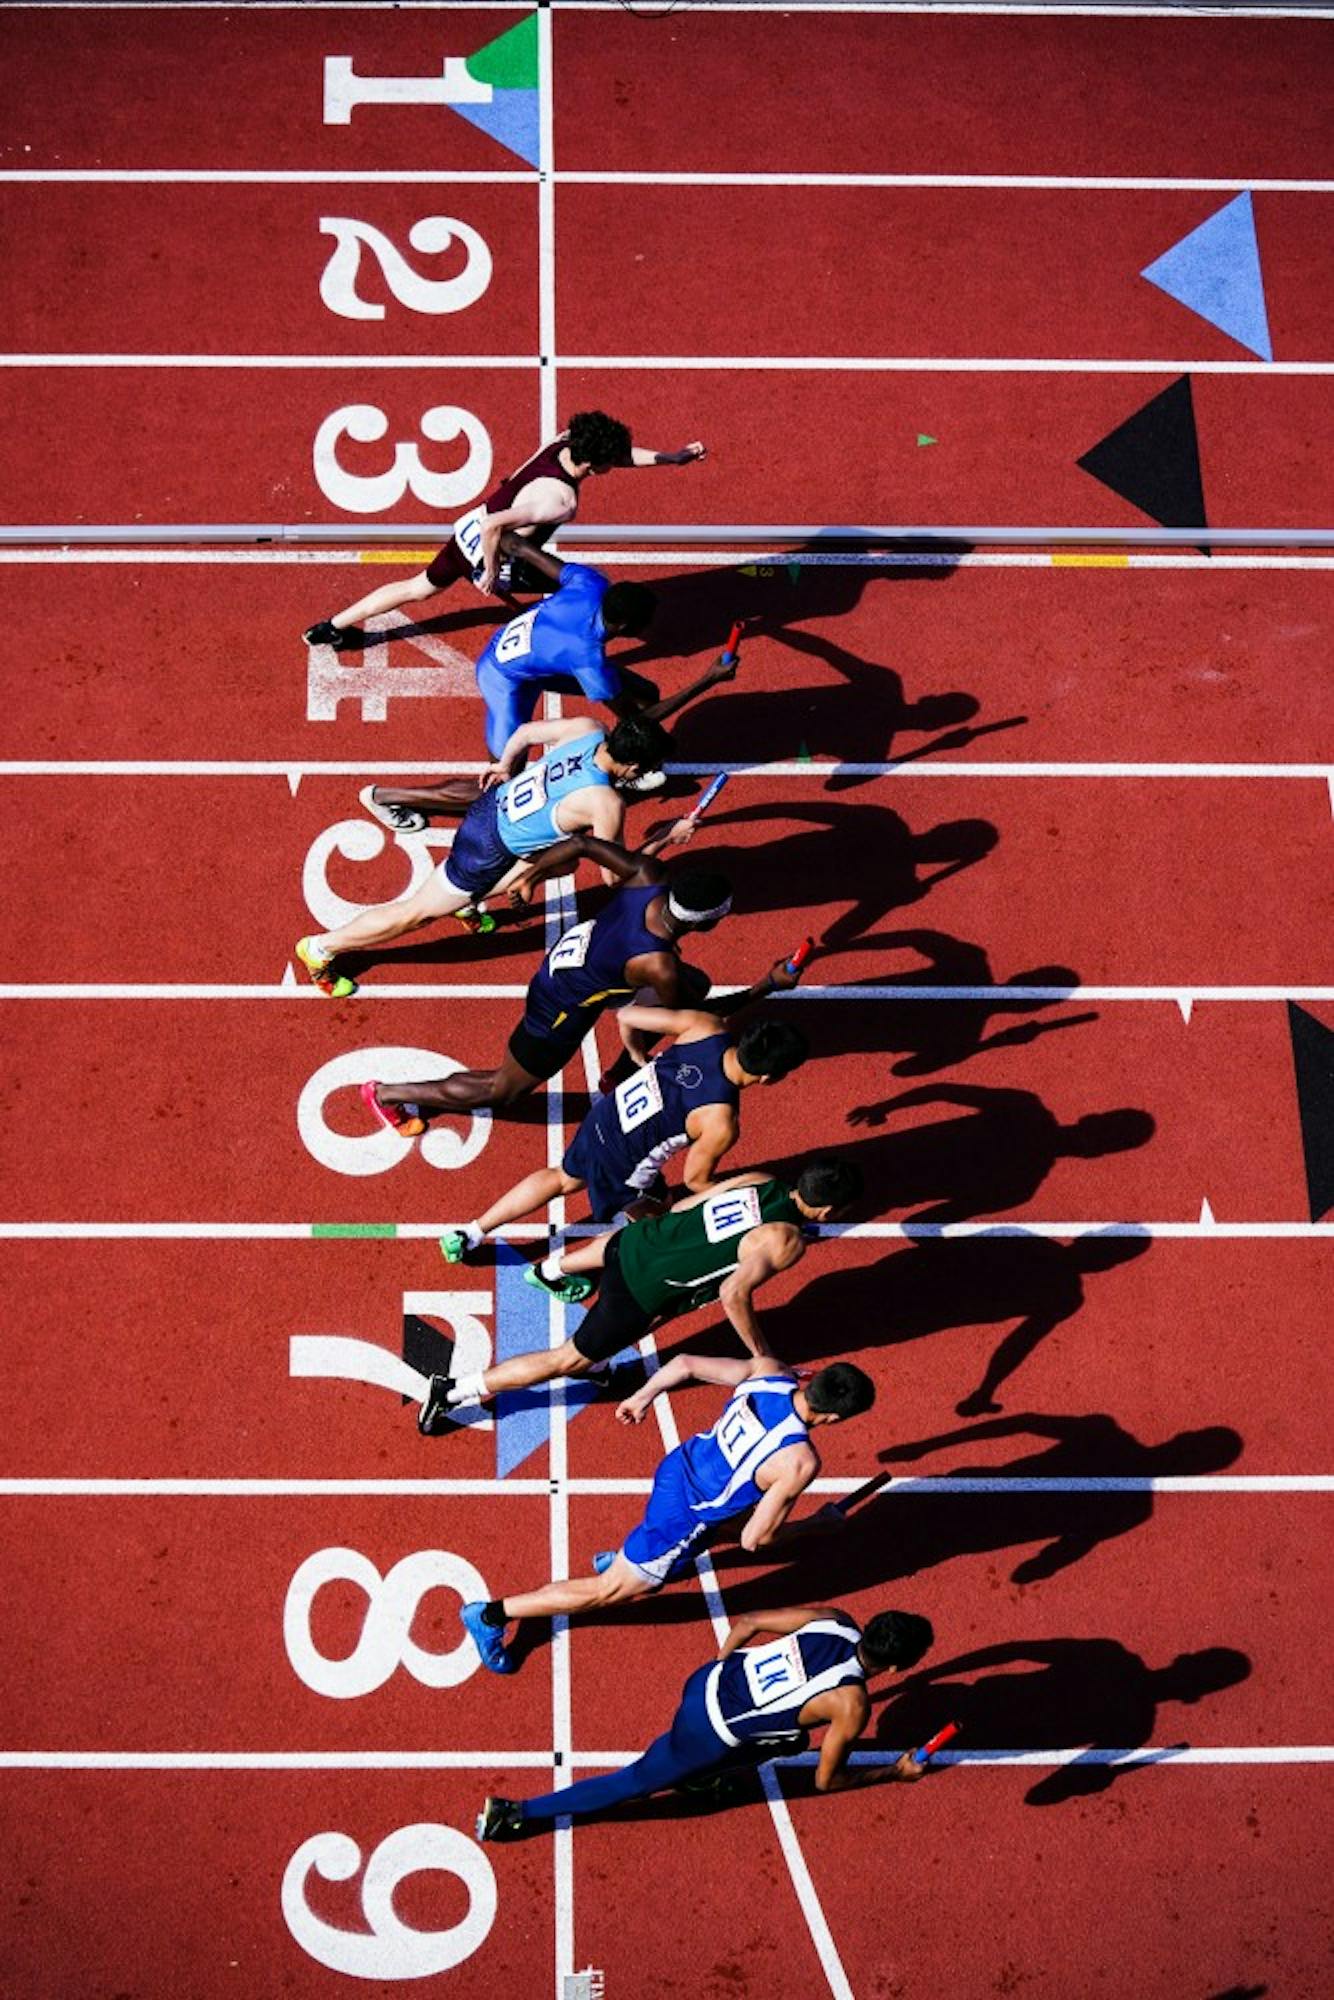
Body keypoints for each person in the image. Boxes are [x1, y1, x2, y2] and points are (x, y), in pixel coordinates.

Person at [458, 1350, 877, 1675]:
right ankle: (492, 1615)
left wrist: (643, 1396)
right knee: (607, 1590)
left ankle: (631, 1557)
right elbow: (755, 1539)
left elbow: (685, 1364)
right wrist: (816, 1526)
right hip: (687, 1516)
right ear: (836, 1417)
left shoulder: (770, 1371)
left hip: (676, 1469)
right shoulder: (799, 1462)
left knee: (706, 1532)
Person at [417, 1155, 861, 1433]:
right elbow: (733, 1293)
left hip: (637, 1241)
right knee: (565, 1359)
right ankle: (455, 1390)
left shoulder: (762, 1180)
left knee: (641, 1310)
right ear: (826, 1210)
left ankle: (562, 1289)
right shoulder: (787, 1242)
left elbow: (691, 1205)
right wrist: (761, 1354)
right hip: (639, 1291)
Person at [362, 848, 795, 1132]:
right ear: (706, 921)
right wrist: (765, 987)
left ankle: (620, 1071)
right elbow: (695, 1020)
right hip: (561, 1008)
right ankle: (386, 1094)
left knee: (693, 982)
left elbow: (582, 844)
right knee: (504, 1090)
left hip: (573, 965)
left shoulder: (648, 875)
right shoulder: (657, 965)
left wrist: (532, 874)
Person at [293, 713, 694, 997]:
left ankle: (469, 904)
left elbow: (523, 731)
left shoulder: (588, 728)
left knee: (565, 859)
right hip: (487, 851)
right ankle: (323, 947)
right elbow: (614, 876)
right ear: (635, 763)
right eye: (647, 769)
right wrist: (663, 836)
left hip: (490, 811)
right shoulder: (604, 802)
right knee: (415, 914)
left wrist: (504, 765)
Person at [475, 1601, 935, 1840]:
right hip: (708, 1731)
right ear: (894, 1669)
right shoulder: (852, 1706)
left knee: (788, 1740)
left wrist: (721, 1670)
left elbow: (750, 1621)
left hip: (704, 1680)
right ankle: (515, 1814)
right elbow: (825, 1781)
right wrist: (893, 1772)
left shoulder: (835, 1620)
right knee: (632, 1781)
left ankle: (699, 1777)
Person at [302, 411, 706, 647]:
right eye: (612, 461)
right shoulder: (559, 501)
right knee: (578, 590)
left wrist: (672, 458)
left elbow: (504, 498)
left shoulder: (563, 443)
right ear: (596, 462)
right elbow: (497, 526)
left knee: (418, 587)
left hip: (467, 530)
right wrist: (492, 573)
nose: (617, 464)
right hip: (496, 550)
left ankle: (330, 627)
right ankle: (570, 647)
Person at [438, 1006, 810, 1256]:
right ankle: (557, 1270)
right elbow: (696, 1182)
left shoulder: (705, 1026)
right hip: (623, 1163)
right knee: (662, 1225)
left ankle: (472, 1231)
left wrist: (634, 1054)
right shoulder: (720, 1120)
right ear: (768, 1077)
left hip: (605, 1118)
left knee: (563, 1178)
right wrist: (755, 1189)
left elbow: (629, 1013)